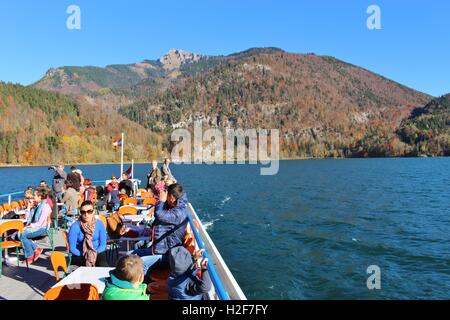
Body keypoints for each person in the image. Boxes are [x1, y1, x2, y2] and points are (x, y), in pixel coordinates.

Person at [132, 183, 189, 279]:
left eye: (166, 195)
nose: (164, 197)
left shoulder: (180, 212)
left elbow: (159, 214)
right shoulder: (172, 207)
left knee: (142, 263)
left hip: (169, 255)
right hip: (160, 249)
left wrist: (161, 201)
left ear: (171, 197)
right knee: (130, 255)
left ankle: (142, 289)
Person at [68, 200, 108, 267]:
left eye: (89, 211)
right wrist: (86, 255)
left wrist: (93, 254)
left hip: (97, 251)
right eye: (83, 212)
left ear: (93, 212)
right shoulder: (75, 227)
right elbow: (72, 248)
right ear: (80, 213)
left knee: (103, 266)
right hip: (80, 253)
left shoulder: (99, 224)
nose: (86, 214)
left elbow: (103, 245)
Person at [20, 186, 52, 263]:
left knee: (22, 235)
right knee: (19, 234)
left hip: (42, 228)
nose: (33, 197)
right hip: (36, 226)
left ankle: (30, 256)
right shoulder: (37, 205)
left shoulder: (45, 206)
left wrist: (28, 226)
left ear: (40, 197)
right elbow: (27, 218)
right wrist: (28, 207)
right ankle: (36, 249)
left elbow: (40, 223)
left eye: (35, 195)